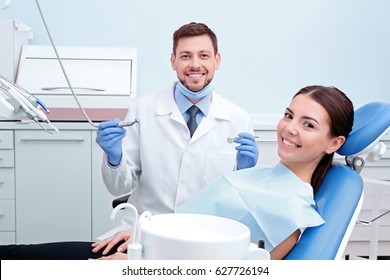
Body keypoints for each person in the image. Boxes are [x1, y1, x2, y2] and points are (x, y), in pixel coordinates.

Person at [0, 85, 354, 260]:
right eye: (289, 115)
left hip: (144, 263)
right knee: (18, 254)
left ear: (333, 143)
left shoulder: (291, 210)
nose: (289, 129)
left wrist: (138, 265)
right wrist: (141, 231)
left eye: (307, 124)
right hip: (140, 244)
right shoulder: (267, 176)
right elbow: (198, 221)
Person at [95, 22, 259, 236]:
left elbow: (241, 202)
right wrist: (114, 158)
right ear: (173, 61)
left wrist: (246, 175)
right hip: (146, 232)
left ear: (216, 60)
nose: (195, 64)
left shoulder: (238, 119)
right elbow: (119, 189)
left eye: (203, 55)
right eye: (185, 56)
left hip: (209, 235)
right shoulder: (143, 110)